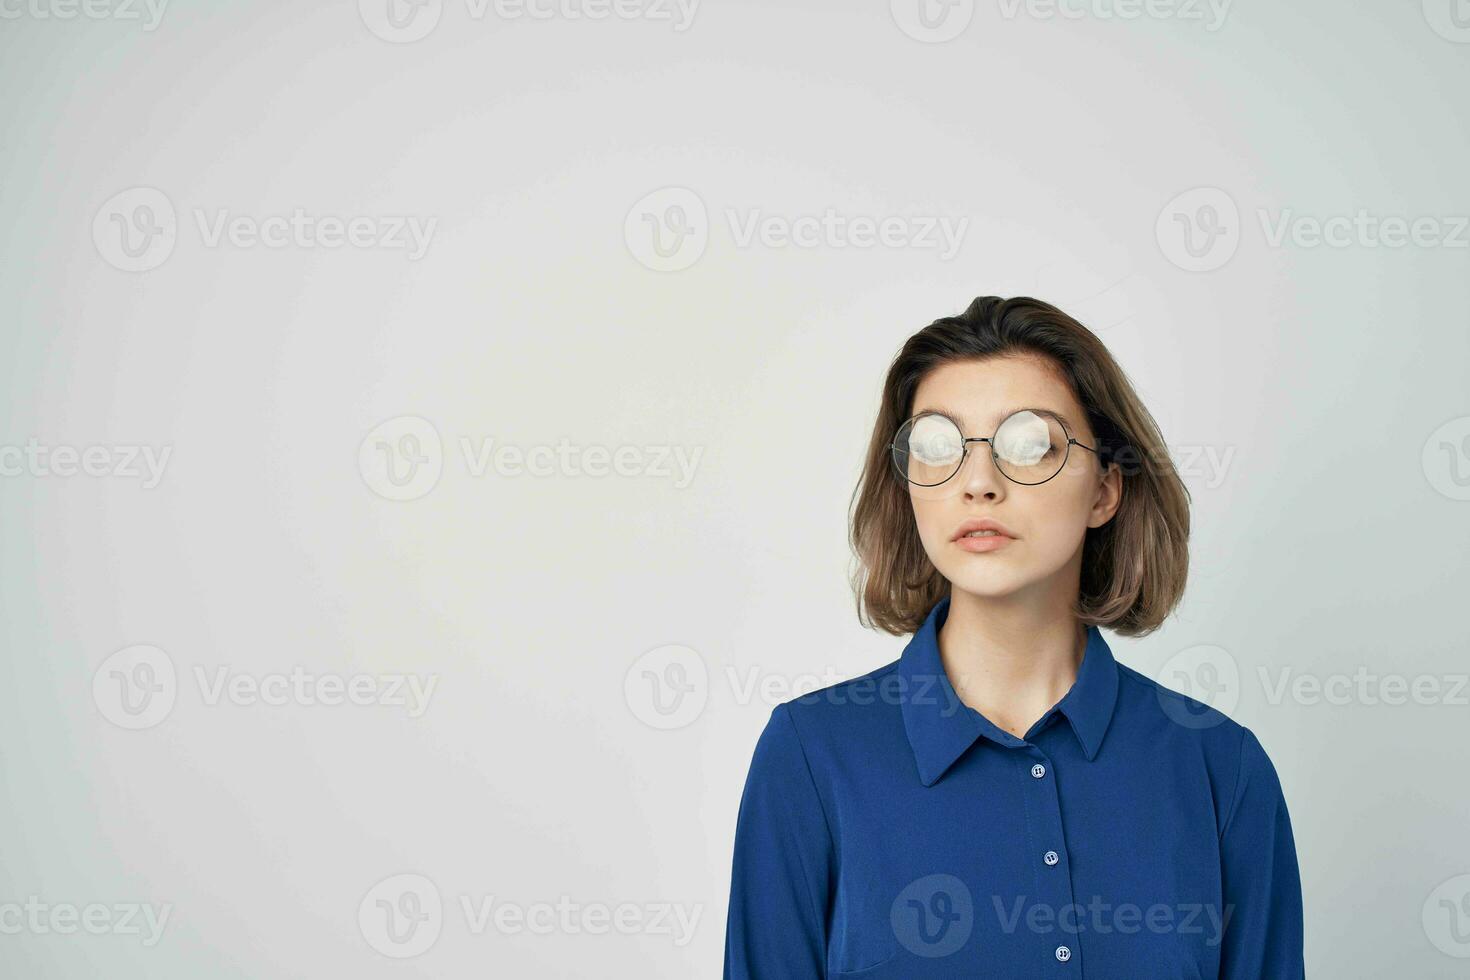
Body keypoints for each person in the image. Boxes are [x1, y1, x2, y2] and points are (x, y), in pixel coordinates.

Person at [722, 296, 1304, 978]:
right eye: (937, 447)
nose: (978, 483)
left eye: (1031, 445)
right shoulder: (811, 758)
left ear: (1104, 490)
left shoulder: (1220, 769)